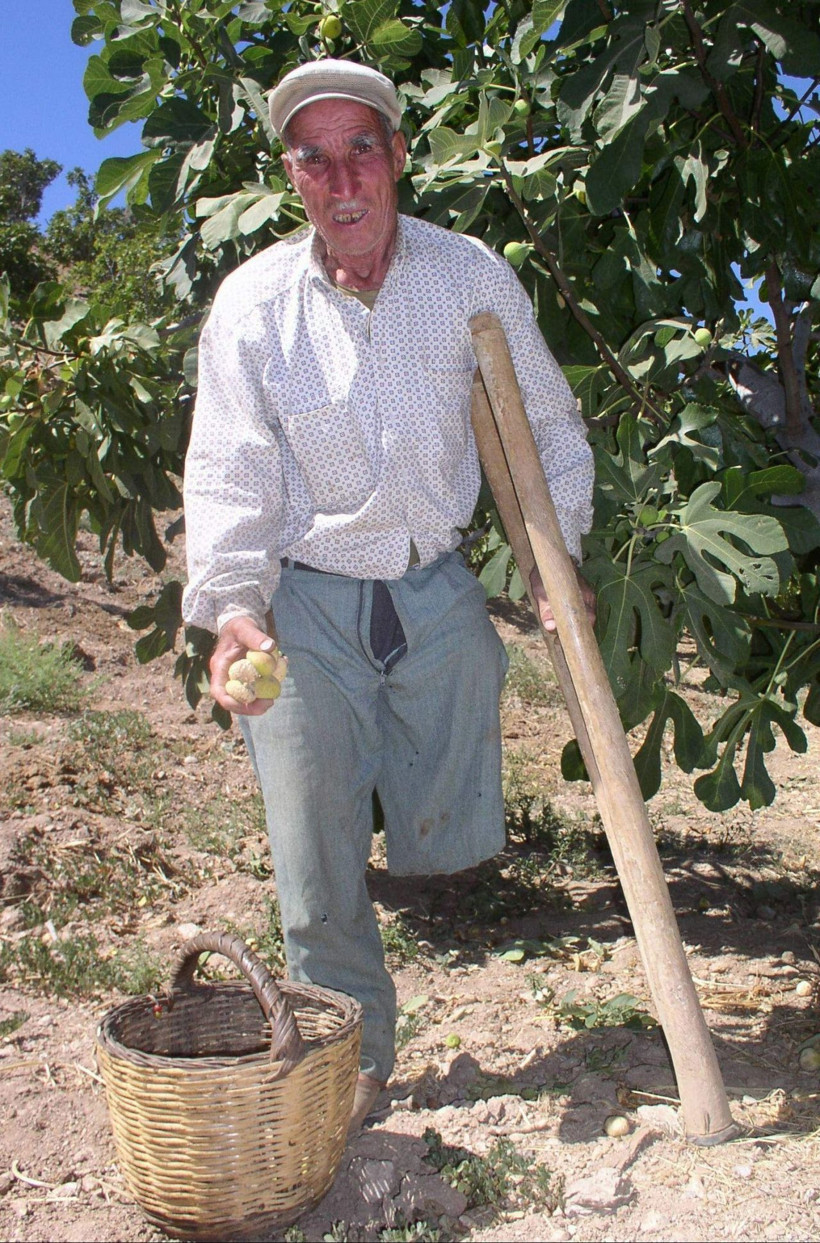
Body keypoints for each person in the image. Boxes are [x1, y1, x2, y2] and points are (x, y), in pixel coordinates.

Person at [182, 59, 595, 1132]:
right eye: (314, 158)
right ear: (292, 176)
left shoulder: (469, 277)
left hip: (434, 584)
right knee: (308, 834)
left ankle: (424, 852)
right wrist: (232, 607)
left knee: (449, 815)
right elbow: (228, 465)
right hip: (304, 600)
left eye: (361, 147)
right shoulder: (253, 306)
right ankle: (352, 1044)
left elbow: (544, 425)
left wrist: (561, 562)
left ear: (399, 155)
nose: (342, 177)